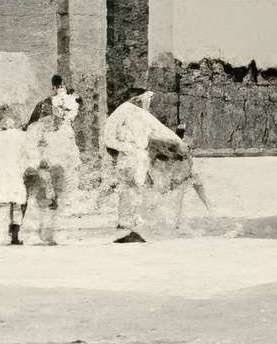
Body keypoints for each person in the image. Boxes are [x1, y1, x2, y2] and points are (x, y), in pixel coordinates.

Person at [99, 83, 186, 243]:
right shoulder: (123, 111)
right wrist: (127, 149)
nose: (148, 102)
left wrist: (177, 141)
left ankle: (132, 220)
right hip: (128, 156)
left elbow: (158, 130)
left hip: (140, 156)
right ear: (137, 97)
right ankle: (125, 221)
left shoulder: (141, 114)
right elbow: (109, 138)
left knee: (139, 188)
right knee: (129, 187)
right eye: (147, 98)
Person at [25, 102, 78, 246]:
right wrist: (39, 163)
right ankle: (38, 234)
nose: (49, 119)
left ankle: (50, 234)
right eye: (45, 115)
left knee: (55, 202)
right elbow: (30, 148)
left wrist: (69, 166)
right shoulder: (34, 129)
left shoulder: (64, 129)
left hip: (58, 169)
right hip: (40, 169)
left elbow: (71, 151)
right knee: (40, 202)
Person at [0, 106, 33, 246]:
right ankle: (2, 235)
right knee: (6, 202)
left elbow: (26, 153)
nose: (7, 122)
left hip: (13, 171)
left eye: (10, 119)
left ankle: (12, 235)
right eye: (4, 119)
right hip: (6, 171)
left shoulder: (19, 136)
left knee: (14, 202)